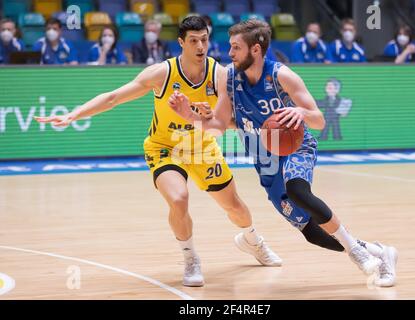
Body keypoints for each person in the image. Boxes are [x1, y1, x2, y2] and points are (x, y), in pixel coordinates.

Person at [34, 16, 280, 287]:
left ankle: (252, 240)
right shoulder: (161, 73)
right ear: (181, 43)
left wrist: (214, 118)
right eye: (194, 41)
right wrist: (74, 114)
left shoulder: (220, 75)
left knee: (235, 208)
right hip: (164, 147)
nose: (201, 46)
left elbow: (230, 122)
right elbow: (114, 97)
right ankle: (190, 258)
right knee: (179, 198)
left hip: (201, 147)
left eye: (204, 40)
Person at [169, 19, 398, 287]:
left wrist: (300, 112)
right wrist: (189, 117)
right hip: (265, 160)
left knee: (298, 191)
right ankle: (380, 252)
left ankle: (358, 254)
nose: (229, 53)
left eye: (235, 47)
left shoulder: (281, 76)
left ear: (255, 49)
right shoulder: (228, 78)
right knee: (312, 233)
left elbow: (319, 120)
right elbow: (219, 127)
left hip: (295, 147)